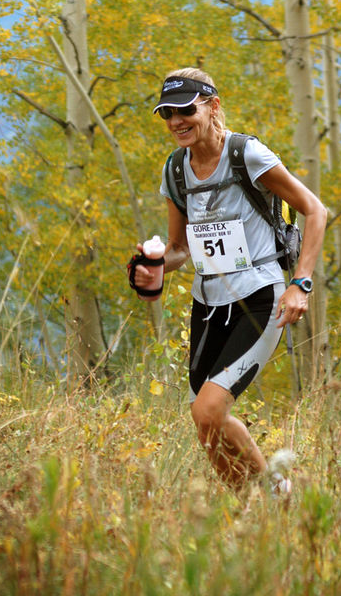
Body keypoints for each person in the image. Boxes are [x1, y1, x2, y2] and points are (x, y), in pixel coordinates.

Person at [130, 67, 327, 492]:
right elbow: (180, 247)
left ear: (212, 106)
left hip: (261, 296)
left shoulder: (246, 155)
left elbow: (315, 209)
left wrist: (302, 282)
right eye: (166, 113)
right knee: (207, 420)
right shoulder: (176, 170)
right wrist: (155, 265)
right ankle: (260, 504)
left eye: (185, 109)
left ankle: (274, 500)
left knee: (209, 409)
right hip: (208, 304)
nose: (176, 121)